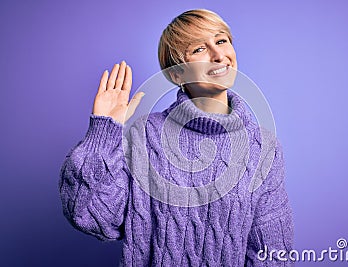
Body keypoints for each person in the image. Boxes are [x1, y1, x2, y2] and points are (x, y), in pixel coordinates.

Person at [59, 9, 294, 266]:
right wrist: (104, 132)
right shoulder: (144, 137)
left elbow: (272, 255)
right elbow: (91, 216)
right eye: (199, 49)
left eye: (221, 41)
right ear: (177, 74)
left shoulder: (264, 148)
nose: (218, 56)